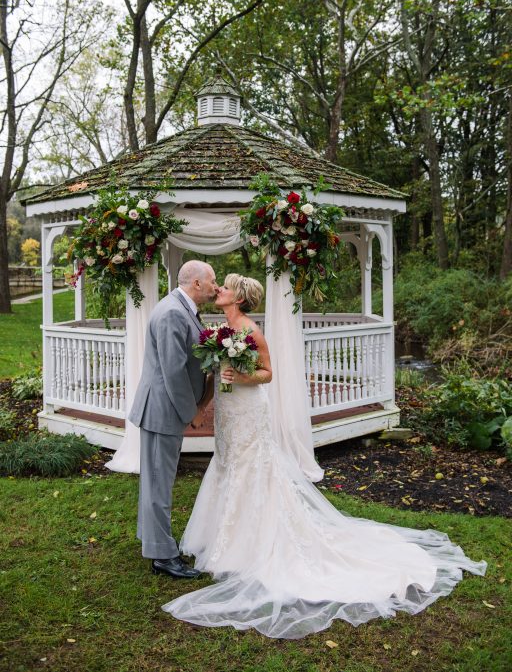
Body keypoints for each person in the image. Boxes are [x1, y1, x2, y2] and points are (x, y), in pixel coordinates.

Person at [162, 273, 487, 638]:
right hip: (228, 410)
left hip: (249, 409)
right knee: (227, 464)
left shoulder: (251, 330)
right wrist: (201, 404)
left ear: (237, 297)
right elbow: (213, 375)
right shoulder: (221, 328)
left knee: (251, 468)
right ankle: (221, 537)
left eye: (224, 286)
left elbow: (267, 374)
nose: (218, 288)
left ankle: (250, 544)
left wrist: (241, 377)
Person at [128, 260, 218, 579]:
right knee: (158, 483)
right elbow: (173, 371)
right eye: (212, 281)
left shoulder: (181, 308)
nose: (215, 286)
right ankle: (163, 557)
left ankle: (153, 539)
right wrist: (192, 411)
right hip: (162, 410)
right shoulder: (171, 313)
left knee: (156, 481)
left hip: (163, 410)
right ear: (196, 284)